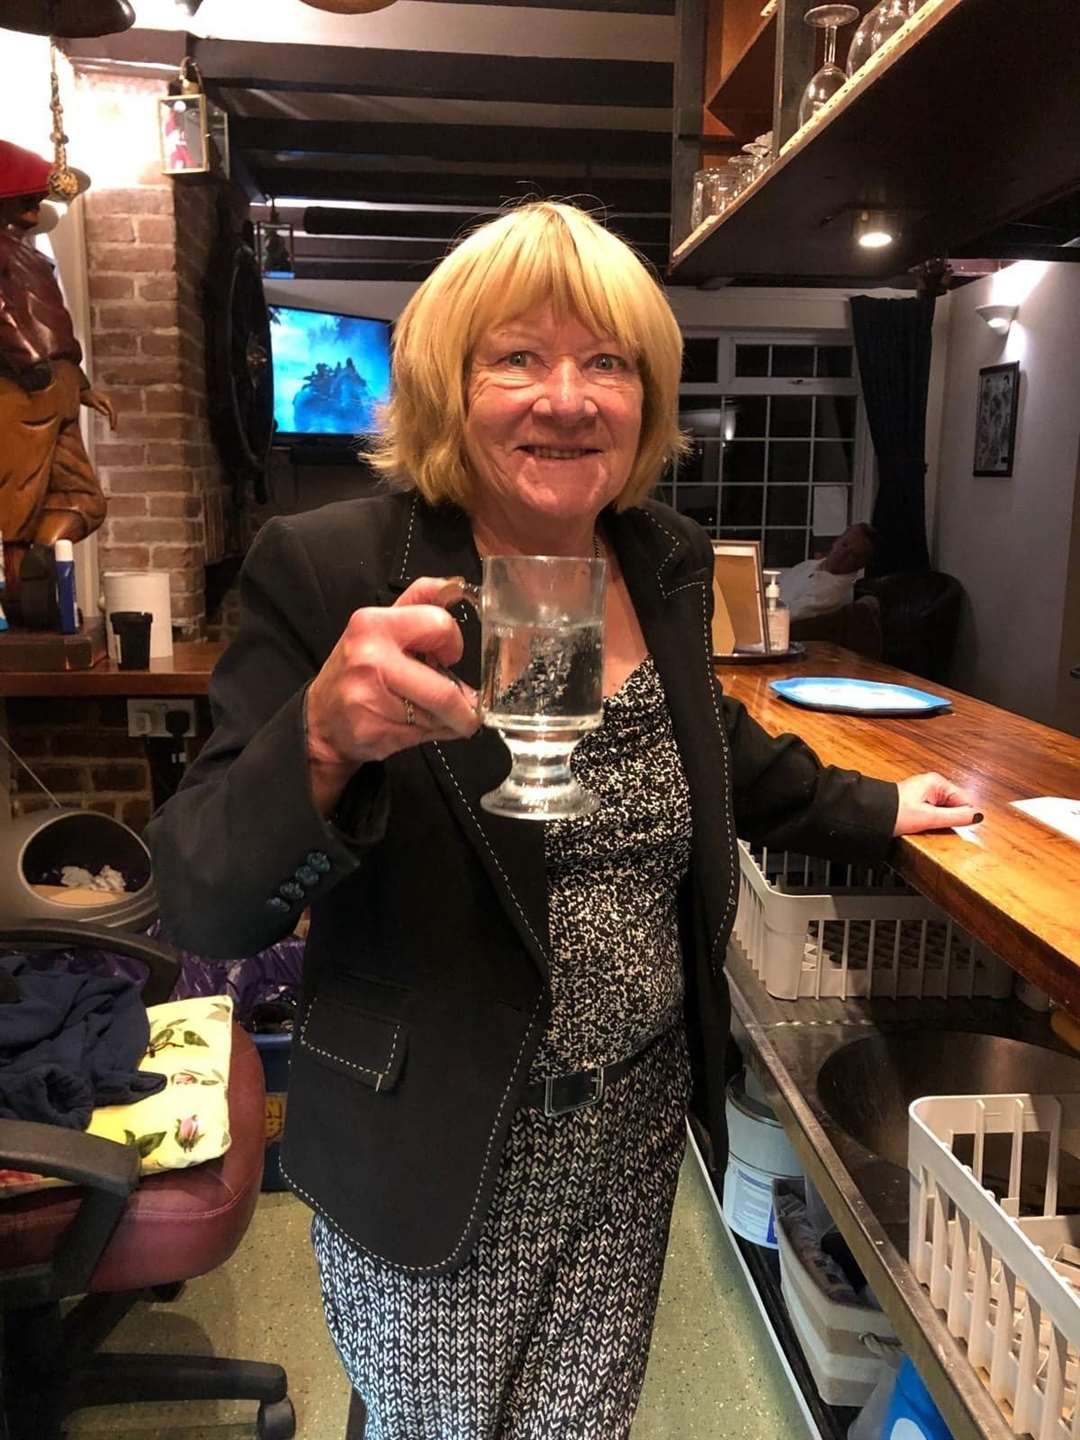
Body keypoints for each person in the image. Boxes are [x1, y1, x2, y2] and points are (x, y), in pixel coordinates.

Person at [147, 202, 978, 1440]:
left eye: (607, 361)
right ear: (445, 385)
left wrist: (886, 805)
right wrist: (319, 741)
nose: (570, 397)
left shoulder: (657, 556)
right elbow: (202, 893)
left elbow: (714, 751)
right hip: (436, 1135)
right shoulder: (329, 567)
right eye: (517, 359)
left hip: (629, 1136)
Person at [0, 140, 115, 605]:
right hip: (27, 389)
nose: (36, 204)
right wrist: (31, 366)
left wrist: (78, 383)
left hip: (54, 383)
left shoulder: (21, 253)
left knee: (84, 499)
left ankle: (36, 578)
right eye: (27, 195)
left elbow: (47, 322)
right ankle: (24, 599)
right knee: (18, 510)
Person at [780, 521, 876, 622]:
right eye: (844, 545)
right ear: (836, 541)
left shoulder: (835, 593)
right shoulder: (809, 565)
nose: (842, 554)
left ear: (861, 565)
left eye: (853, 555)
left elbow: (785, 615)